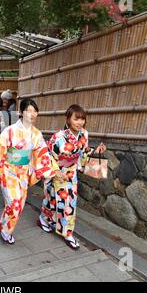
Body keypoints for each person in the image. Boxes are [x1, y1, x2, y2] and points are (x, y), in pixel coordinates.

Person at [0, 98, 59, 245]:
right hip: (8, 172)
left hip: (23, 173)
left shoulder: (36, 134)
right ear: (21, 112)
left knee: (19, 206)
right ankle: (5, 230)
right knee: (14, 204)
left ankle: (3, 225)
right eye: (28, 110)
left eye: (35, 111)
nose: (32, 114)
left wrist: (51, 171)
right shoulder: (10, 131)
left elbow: (43, 154)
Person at [39, 104, 106, 250]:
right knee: (52, 199)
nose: (80, 122)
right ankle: (44, 219)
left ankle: (67, 233)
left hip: (71, 171)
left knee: (69, 203)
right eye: (76, 119)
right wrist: (56, 171)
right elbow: (48, 155)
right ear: (68, 119)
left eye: (82, 119)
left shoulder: (84, 134)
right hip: (57, 172)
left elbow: (84, 152)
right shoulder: (58, 137)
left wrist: (95, 151)